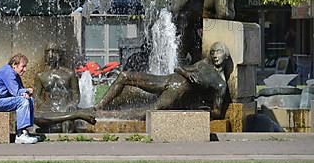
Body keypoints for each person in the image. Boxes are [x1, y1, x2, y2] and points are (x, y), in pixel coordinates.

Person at [95, 42, 230, 119]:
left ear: (226, 55)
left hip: (178, 90)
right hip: (167, 79)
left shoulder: (220, 83)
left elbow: (218, 112)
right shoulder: (203, 64)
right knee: (125, 76)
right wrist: (187, 74)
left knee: (151, 111)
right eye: (212, 52)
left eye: (218, 52)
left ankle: (104, 115)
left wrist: (204, 111)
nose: (215, 55)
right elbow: (178, 68)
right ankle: (97, 107)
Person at [34, 43, 96, 132]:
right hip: (48, 111)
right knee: (34, 117)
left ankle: (65, 118)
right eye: (48, 52)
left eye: (54, 52)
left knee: (67, 124)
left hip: (65, 109)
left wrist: (72, 105)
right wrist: (43, 106)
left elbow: (76, 95)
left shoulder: (70, 74)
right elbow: (36, 97)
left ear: (60, 54)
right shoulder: (40, 76)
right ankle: (77, 115)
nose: (51, 56)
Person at [0, 53, 37, 144]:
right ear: (14, 65)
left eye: (25, 67)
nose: (25, 69)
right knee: (23, 102)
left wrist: (26, 93)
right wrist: (28, 90)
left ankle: (24, 132)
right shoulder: (8, 73)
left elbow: (20, 91)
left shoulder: (15, 74)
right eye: (23, 66)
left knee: (29, 100)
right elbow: (16, 92)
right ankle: (20, 136)